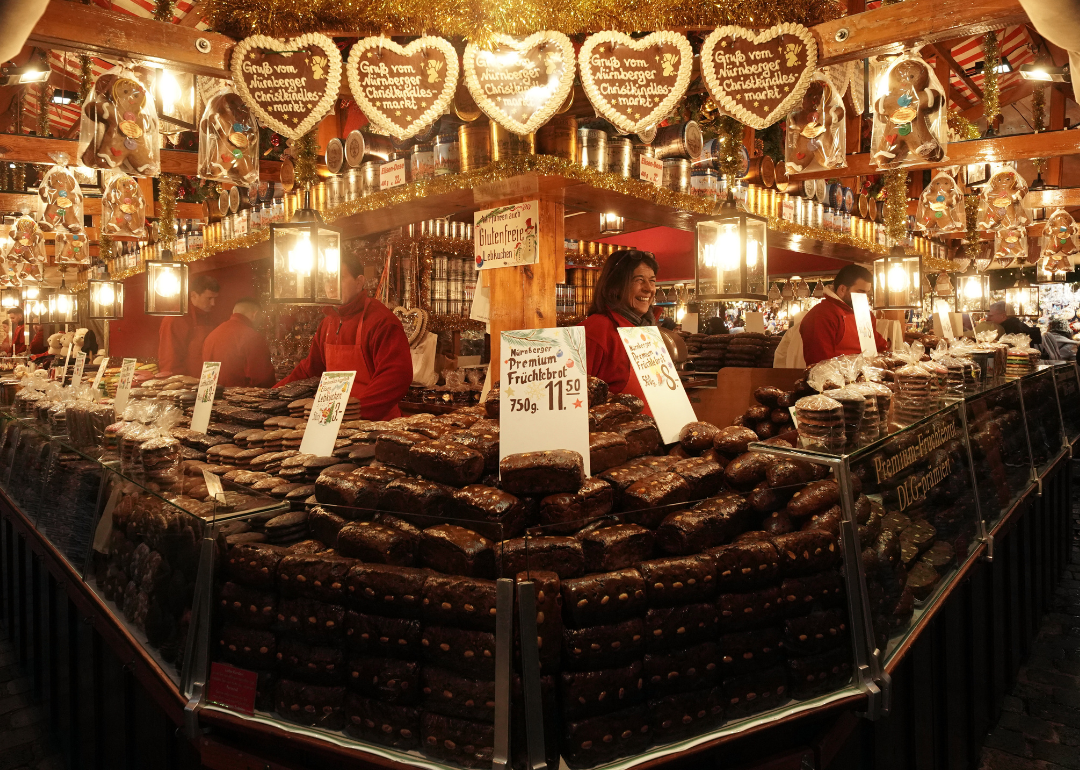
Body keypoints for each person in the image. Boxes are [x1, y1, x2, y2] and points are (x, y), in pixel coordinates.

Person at [277, 250, 413, 420]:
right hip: (332, 419)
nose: (331, 285)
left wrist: (353, 412)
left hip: (374, 424)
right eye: (327, 279)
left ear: (359, 282)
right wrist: (271, 394)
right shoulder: (327, 323)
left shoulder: (381, 321)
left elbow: (396, 377)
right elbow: (310, 370)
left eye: (338, 278)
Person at [583, 248, 658, 412]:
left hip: (654, 433)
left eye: (652, 281)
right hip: (614, 434)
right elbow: (574, 398)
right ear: (615, 285)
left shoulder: (648, 329)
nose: (648, 288)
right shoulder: (596, 329)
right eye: (639, 280)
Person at [798, 264, 889, 365]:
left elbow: (879, 347)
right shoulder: (822, 316)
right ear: (842, 290)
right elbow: (820, 364)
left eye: (867, 293)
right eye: (861, 292)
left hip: (869, 377)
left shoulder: (865, 314)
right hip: (838, 379)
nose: (865, 297)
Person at [201, 297, 277, 387]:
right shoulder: (252, 337)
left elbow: (208, 377)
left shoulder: (212, 335)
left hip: (211, 397)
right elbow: (262, 379)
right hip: (240, 398)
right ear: (255, 315)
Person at [158, 274, 220, 376]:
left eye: (215, 298)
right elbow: (170, 360)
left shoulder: (209, 316)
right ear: (194, 295)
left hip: (207, 380)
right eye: (209, 298)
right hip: (186, 385)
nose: (213, 303)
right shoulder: (175, 319)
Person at [976, 301, 1043, 345]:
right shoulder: (1019, 325)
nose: (987, 319)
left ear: (1003, 316)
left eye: (990, 316)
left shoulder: (1008, 330)